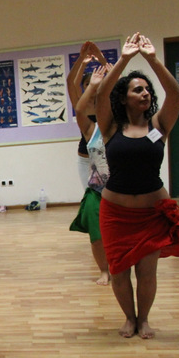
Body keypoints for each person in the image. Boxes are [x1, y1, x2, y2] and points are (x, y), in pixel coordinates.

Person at [95, 33, 179, 339]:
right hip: (115, 214)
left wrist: (151, 60)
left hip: (151, 214)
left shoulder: (159, 125)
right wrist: (123, 60)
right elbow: (99, 99)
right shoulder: (110, 127)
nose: (145, 93)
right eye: (138, 89)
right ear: (124, 98)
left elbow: (174, 94)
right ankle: (129, 318)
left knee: (147, 271)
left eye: (147, 89)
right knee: (119, 270)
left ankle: (144, 319)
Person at [69, 65, 112, 285]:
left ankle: (117, 265)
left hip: (120, 189)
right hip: (97, 187)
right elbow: (78, 108)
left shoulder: (119, 125)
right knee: (97, 232)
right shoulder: (89, 126)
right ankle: (104, 270)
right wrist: (92, 84)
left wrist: (111, 78)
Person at [67, 41, 108, 188]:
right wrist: (82, 60)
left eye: (95, 82)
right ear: (83, 87)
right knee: (90, 195)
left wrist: (101, 58)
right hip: (85, 157)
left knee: (108, 196)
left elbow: (117, 79)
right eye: (87, 84)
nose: (92, 85)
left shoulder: (108, 102)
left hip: (106, 156)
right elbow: (71, 82)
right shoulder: (80, 104)